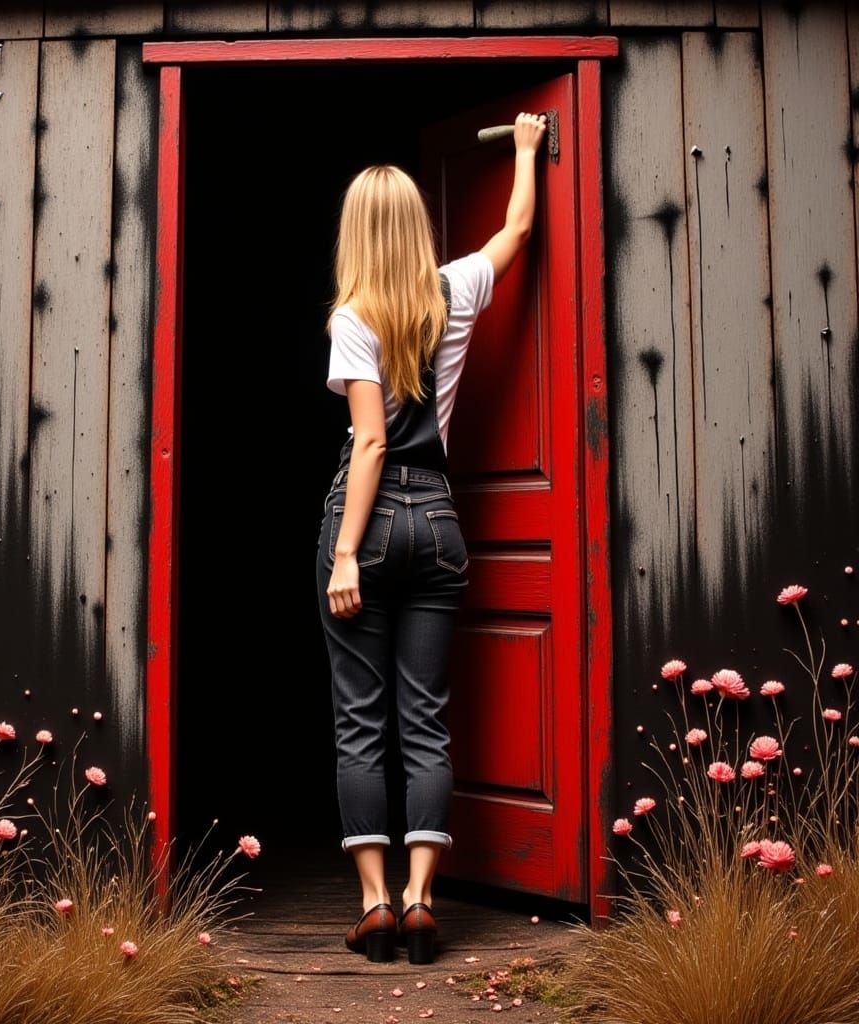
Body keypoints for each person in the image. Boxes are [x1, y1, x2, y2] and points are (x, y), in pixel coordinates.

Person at [315, 112, 547, 965]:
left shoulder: (352, 318)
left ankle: (374, 904)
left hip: (370, 522)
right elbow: (516, 230)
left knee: (360, 721)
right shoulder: (455, 288)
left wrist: (346, 551)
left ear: (355, 235)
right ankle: (420, 899)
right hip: (440, 520)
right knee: (425, 719)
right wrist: (525, 151)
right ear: (415, 227)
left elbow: (370, 440)